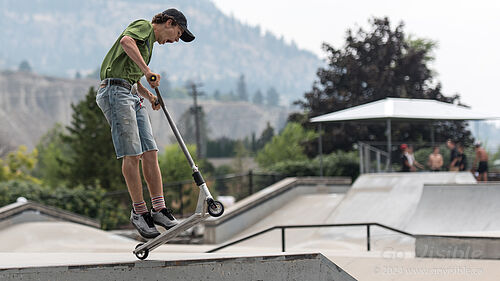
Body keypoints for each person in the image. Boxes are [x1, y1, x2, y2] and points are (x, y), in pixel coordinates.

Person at [96, 9, 195, 238]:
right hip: (114, 92)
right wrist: (148, 70)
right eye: (177, 34)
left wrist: (148, 94)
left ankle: (159, 209)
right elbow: (126, 41)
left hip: (130, 91)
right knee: (132, 154)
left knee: (150, 151)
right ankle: (140, 212)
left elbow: (131, 73)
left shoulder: (148, 47)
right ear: (168, 23)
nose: (175, 41)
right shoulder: (144, 27)